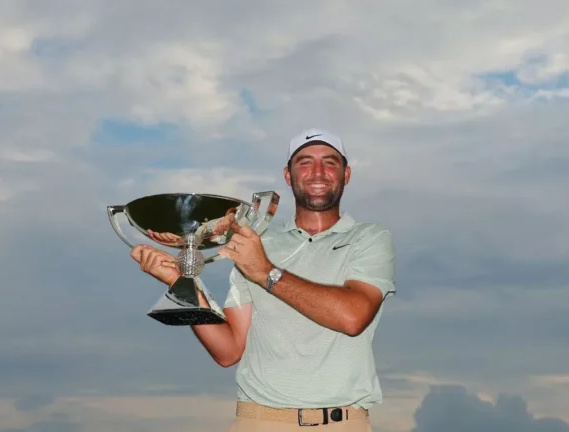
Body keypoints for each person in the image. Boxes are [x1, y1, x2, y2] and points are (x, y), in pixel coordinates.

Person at [131, 128, 396, 431]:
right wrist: (180, 282)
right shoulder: (257, 244)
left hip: (342, 422)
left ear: (346, 174)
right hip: (258, 421)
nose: (318, 172)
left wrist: (265, 272)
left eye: (330, 162)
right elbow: (228, 351)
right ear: (288, 174)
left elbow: (353, 316)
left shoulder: (369, 238)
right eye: (305, 162)